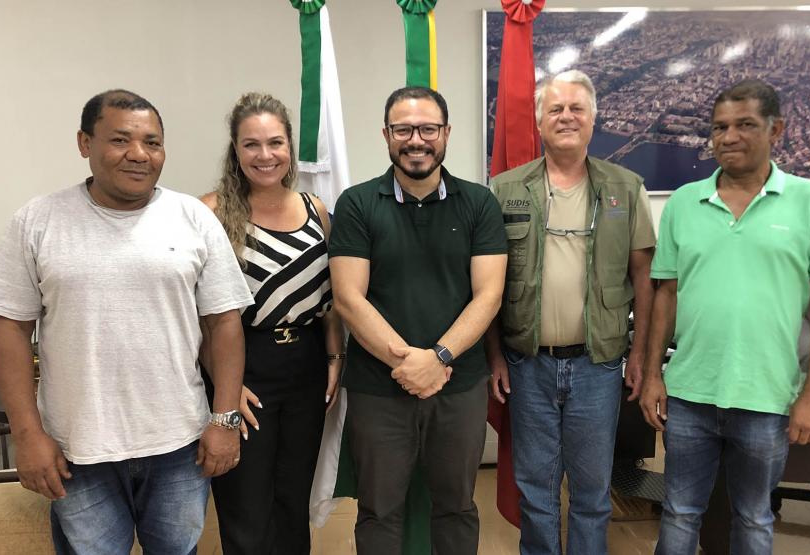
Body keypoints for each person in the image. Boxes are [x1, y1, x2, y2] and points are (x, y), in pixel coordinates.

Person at [0, 89, 253, 554]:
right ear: (85, 143)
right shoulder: (38, 221)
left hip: (179, 445)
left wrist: (223, 420)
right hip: (77, 450)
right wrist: (27, 435)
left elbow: (223, 323)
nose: (139, 154)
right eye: (120, 140)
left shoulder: (194, 219)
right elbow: (10, 330)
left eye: (153, 142)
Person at [640, 78, 810, 555]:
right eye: (719, 127)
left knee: (754, 518)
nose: (728, 137)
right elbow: (665, 295)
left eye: (745, 125)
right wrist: (654, 375)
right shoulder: (684, 203)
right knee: (678, 513)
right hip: (690, 392)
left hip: (767, 396)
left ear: (776, 129)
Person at [328, 86, 508, 554]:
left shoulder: (479, 203)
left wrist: (440, 357)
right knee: (379, 510)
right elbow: (349, 297)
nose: (416, 140)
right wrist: (410, 363)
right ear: (386, 135)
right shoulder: (357, 203)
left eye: (428, 128)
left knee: (456, 507)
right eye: (403, 129)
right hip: (378, 388)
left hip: (459, 385)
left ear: (446, 133)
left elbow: (488, 296)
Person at [486, 69, 656, 555]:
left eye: (576, 108)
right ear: (539, 121)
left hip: (598, 366)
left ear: (593, 119)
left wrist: (641, 356)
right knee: (535, 490)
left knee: (591, 492)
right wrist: (495, 357)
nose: (566, 117)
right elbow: (489, 286)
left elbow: (645, 276)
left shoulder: (625, 188)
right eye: (555, 109)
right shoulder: (505, 190)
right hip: (527, 364)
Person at [198, 92, 343, 554]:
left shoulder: (317, 210)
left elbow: (333, 299)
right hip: (243, 364)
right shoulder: (210, 212)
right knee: (245, 501)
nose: (265, 155)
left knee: (291, 497)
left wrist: (335, 356)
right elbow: (195, 313)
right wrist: (225, 382)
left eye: (275, 143)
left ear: (289, 146)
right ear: (235, 150)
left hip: (306, 366)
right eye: (251, 144)